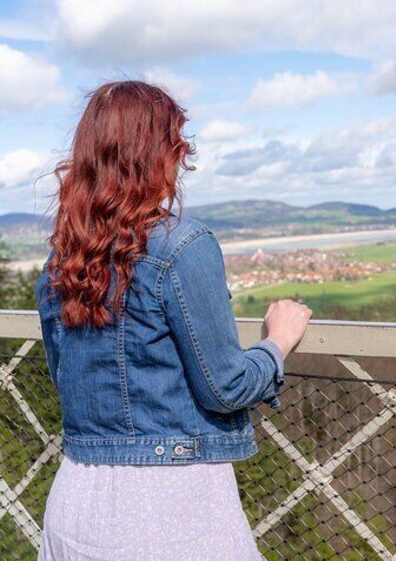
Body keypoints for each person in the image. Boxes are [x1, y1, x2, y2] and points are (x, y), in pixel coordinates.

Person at [34, 80, 311, 560]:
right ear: (157, 154)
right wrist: (278, 342)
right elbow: (225, 387)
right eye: (175, 146)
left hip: (75, 499)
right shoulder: (180, 245)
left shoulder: (61, 263)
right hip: (168, 511)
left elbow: (68, 381)